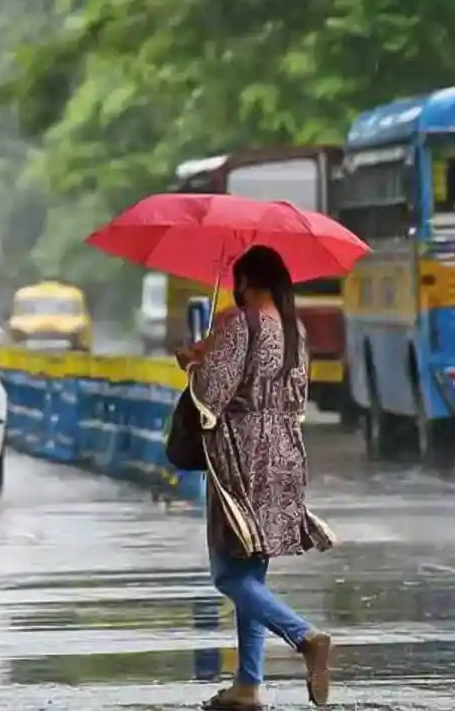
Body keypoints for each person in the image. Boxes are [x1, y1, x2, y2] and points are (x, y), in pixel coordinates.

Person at [178, 245, 337, 710]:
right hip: (284, 454)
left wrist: (194, 362)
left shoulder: (238, 323)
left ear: (245, 280)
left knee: (228, 574)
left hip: (239, 456)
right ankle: (248, 683)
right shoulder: (294, 329)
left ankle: (305, 637)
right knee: (251, 571)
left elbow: (211, 395)